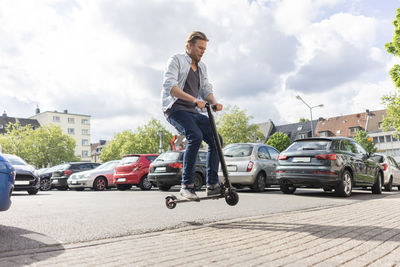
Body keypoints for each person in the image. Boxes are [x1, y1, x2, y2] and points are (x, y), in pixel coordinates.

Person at [161, 31, 223, 200]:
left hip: (192, 111)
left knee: (217, 140)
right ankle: (186, 185)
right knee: (195, 136)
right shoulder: (176, 60)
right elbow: (170, 87)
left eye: (204, 49)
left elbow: (206, 89)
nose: (202, 51)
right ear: (189, 46)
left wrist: (214, 102)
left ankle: (212, 184)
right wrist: (195, 100)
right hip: (175, 109)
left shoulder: (202, 67)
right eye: (199, 47)